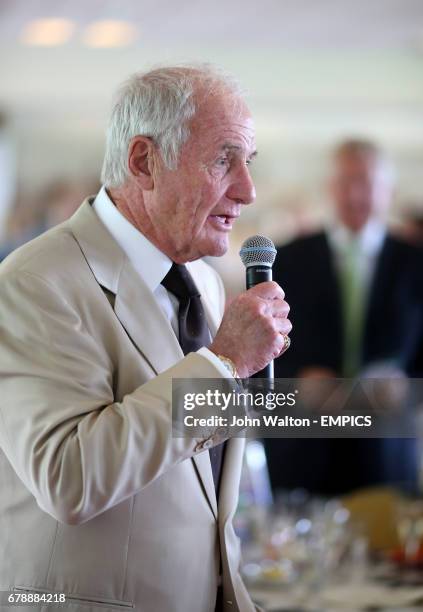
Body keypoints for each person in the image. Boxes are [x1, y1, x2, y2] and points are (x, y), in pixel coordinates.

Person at [0, 66, 292, 612]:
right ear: (144, 162)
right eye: (223, 160)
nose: (248, 191)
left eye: (246, 163)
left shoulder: (203, 279)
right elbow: (68, 477)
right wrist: (224, 360)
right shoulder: (35, 282)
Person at [265, 139, 423, 497]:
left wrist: (405, 383)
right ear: (329, 189)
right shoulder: (285, 260)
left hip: (386, 451)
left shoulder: (415, 263)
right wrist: (297, 380)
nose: (355, 195)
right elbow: (262, 351)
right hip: (304, 448)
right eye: (345, 182)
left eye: (366, 183)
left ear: (389, 191)